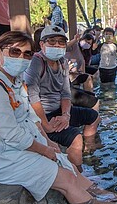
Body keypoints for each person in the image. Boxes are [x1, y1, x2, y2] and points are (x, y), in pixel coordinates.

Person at [0, 31, 117, 204]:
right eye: (15, 52)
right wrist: (44, 149)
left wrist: (48, 140)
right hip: (2, 155)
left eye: (26, 54)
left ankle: (101, 193)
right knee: (66, 178)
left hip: (21, 142)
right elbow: (13, 135)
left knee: (67, 165)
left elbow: (31, 116)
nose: (22, 58)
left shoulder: (14, 82)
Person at [24, 26, 101, 170]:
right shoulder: (36, 62)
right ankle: (78, 174)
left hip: (59, 112)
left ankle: (88, 151)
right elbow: (32, 97)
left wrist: (66, 115)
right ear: (42, 44)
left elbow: (65, 93)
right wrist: (46, 125)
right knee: (76, 138)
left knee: (94, 116)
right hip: (41, 117)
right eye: (52, 41)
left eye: (61, 42)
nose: (57, 45)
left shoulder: (62, 62)